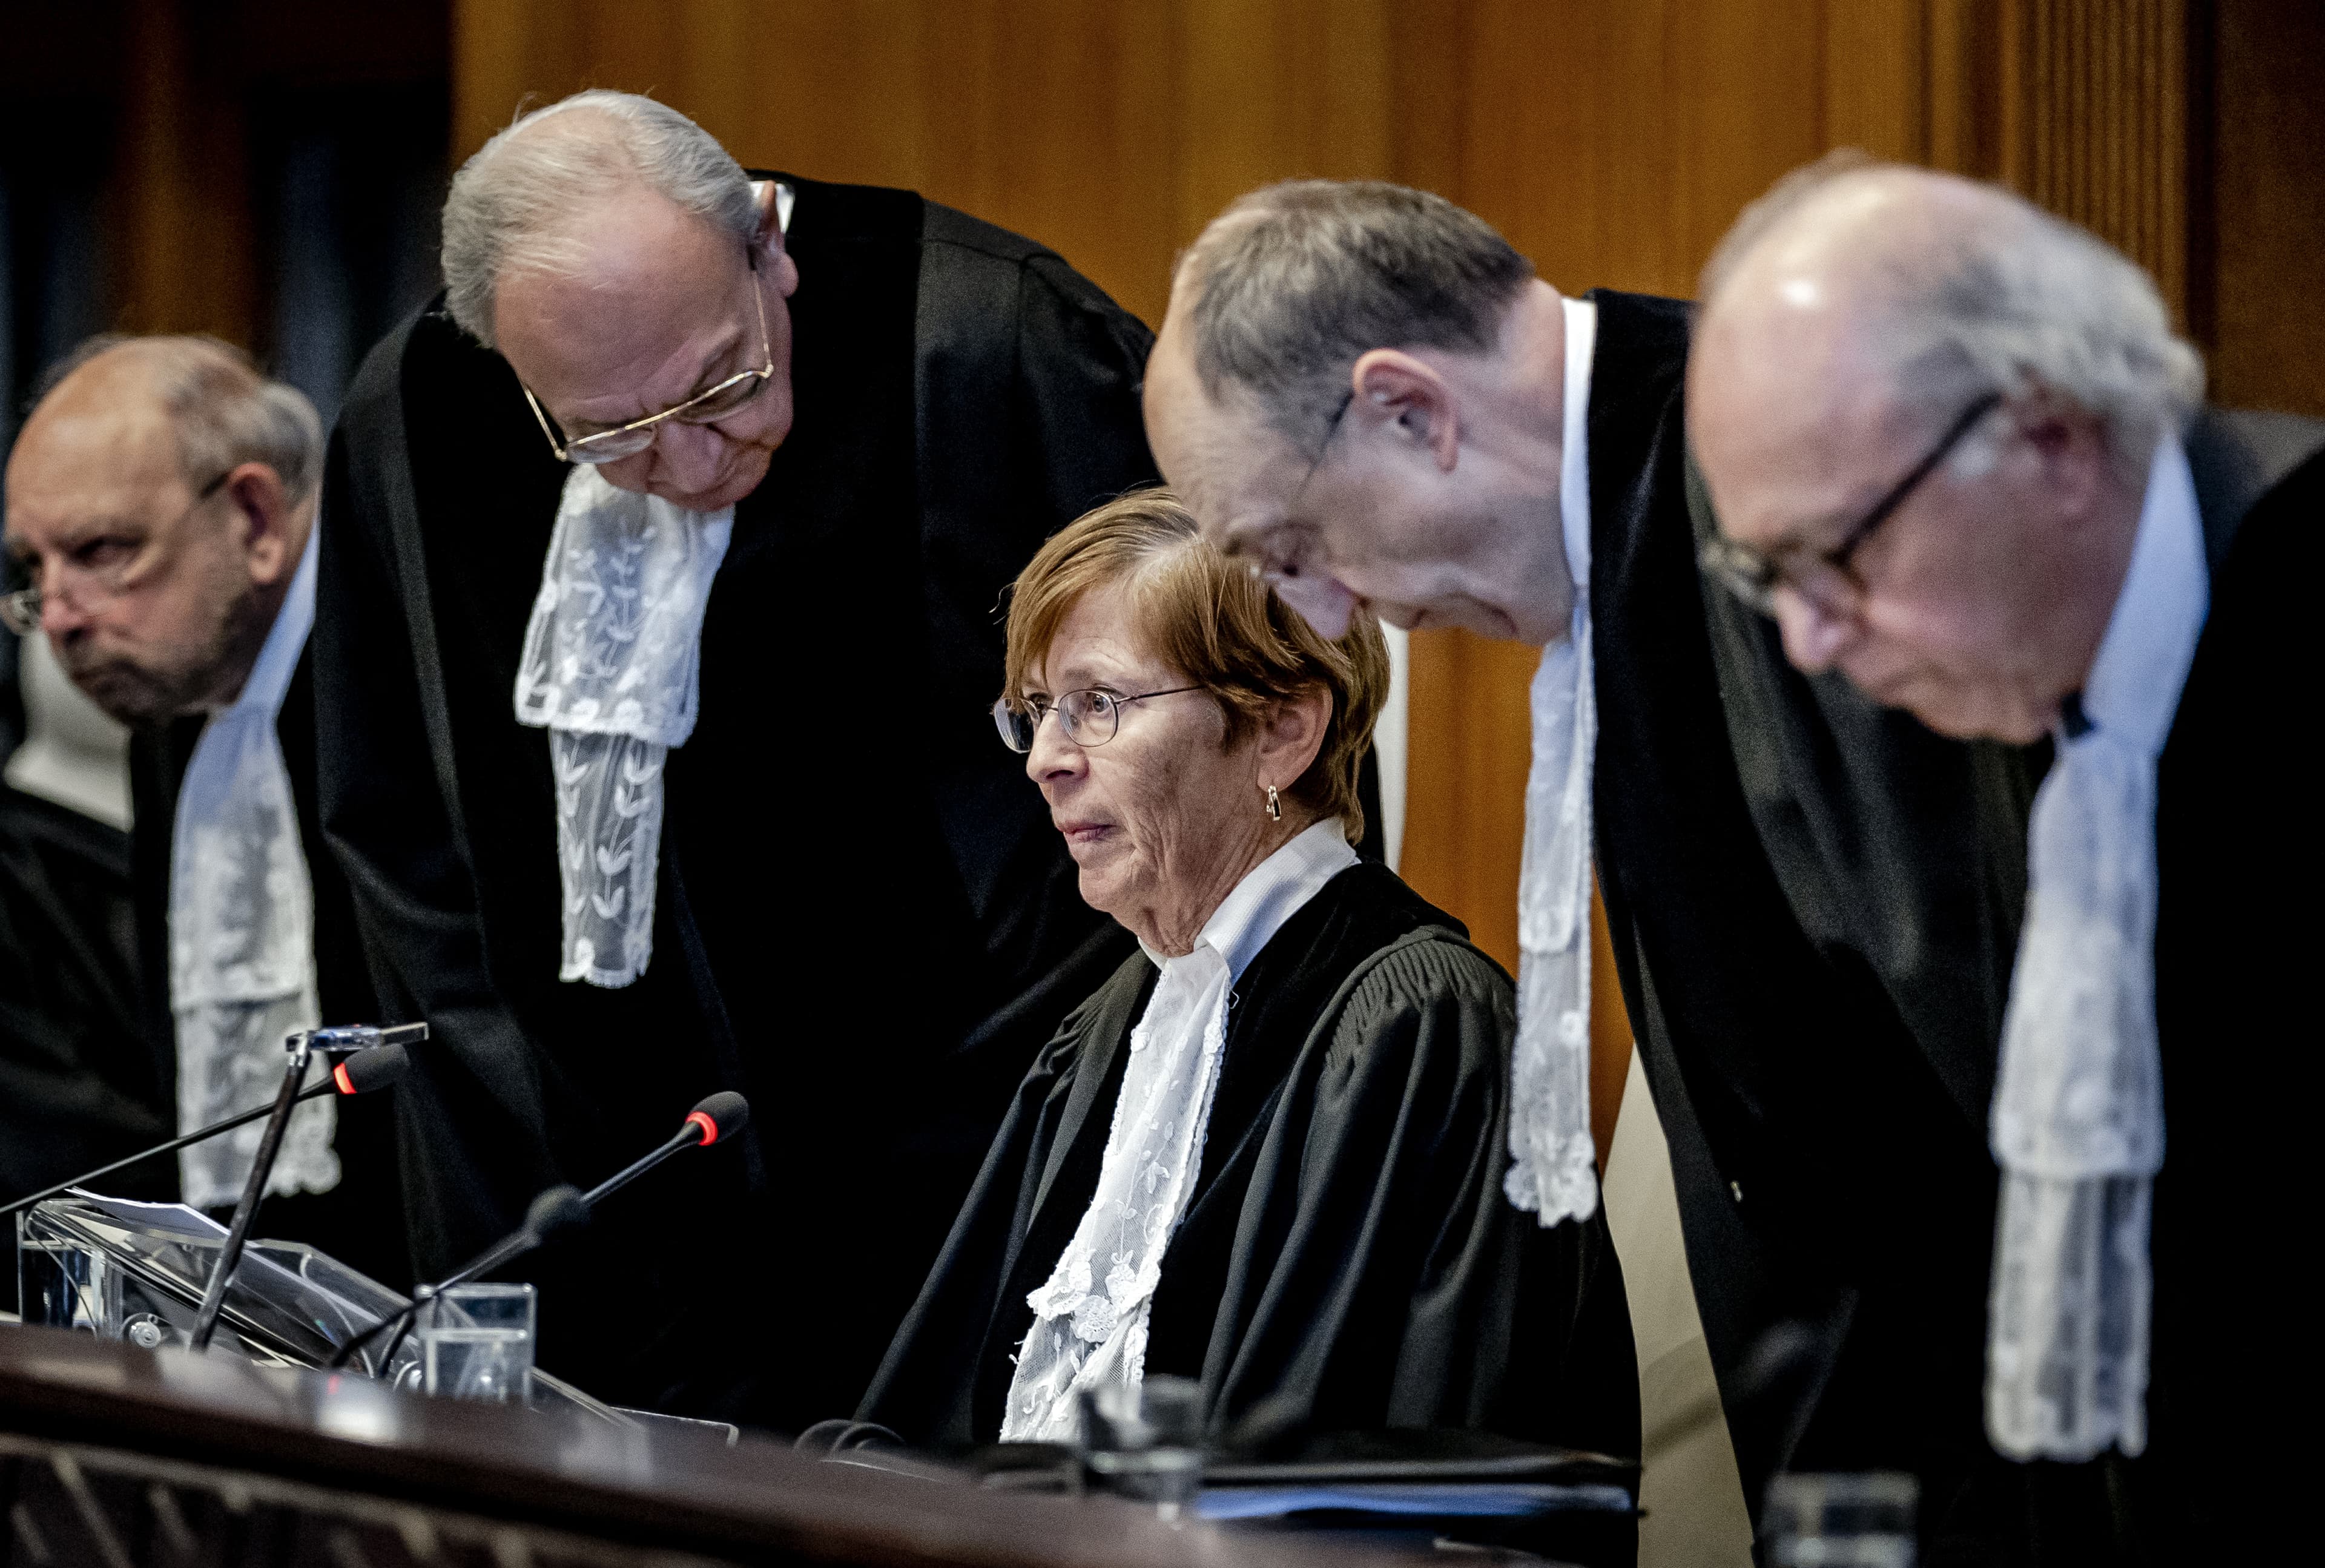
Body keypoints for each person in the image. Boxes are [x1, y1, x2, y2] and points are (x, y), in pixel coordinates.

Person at [1142, 180, 2048, 1555]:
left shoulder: (1809, 492)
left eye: (1297, 546)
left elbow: (2004, 1054)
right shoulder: (1630, 534)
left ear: (1411, 411)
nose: (1329, 612)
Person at [318, 90, 1159, 1427]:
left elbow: (1215, 764)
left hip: (982, 1186)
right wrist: (512, 1144)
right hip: (604, 1222)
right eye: (606, 434)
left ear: (768, 244)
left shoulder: (988, 343)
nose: (684, 458)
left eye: (723, 383)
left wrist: (1053, 1115)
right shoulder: (416, 417)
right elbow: (403, 836)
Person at [1688, 157, 2323, 1560]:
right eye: (1764, 577)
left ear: (2051, 437)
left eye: (1836, 552)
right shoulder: (2030, 681)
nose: (1808, 642)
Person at [863, 490, 1636, 1461]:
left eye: (1097, 705)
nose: (1045, 760)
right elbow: (932, 1427)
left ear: (1281, 730)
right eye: (1038, 711)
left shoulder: (1423, 1036)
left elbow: (1393, 1481)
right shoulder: (1108, 1036)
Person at [2, 336, 403, 1285]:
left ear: (254, 518)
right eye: (35, 570)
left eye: (102, 552)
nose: (58, 618)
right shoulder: (172, 695)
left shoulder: (395, 673)